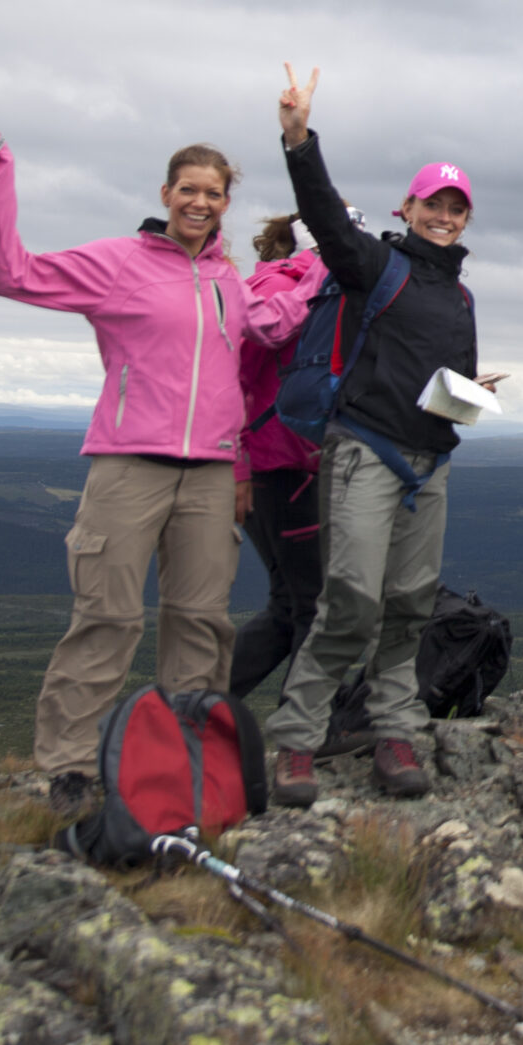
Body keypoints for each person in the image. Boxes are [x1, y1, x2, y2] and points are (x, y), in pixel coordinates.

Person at [0, 129, 312, 823]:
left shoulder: (226, 281)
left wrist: (322, 270)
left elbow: (270, 325)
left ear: (225, 204)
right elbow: (11, 273)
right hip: (129, 463)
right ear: (165, 194)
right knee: (107, 617)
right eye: (188, 189)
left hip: (211, 471)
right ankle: (68, 762)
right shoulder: (118, 263)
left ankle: (181, 761)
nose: (199, 201)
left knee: (199, 624)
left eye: (213, 193)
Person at [267, 66, 488, 807]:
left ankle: (394, 728)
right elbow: (327, 217)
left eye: (456, 207)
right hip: (364, 450)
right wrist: (299, 137)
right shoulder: (375, 263)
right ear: (410, 205)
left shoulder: (461, 296)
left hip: (431, 463)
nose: (445, 216)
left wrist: (469, 396)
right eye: (434, 202)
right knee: (353, 596)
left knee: (412, 598)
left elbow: (443, 382)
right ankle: (297, 737)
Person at [227, 214, 330, 705]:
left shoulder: (302, 284)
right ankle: (304, 732)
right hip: (280, 463)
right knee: (314, 603)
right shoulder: (277, 288)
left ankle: (193, 710)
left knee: (290, 602)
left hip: (284, 462)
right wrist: (239, 464)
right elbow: (234, 378)